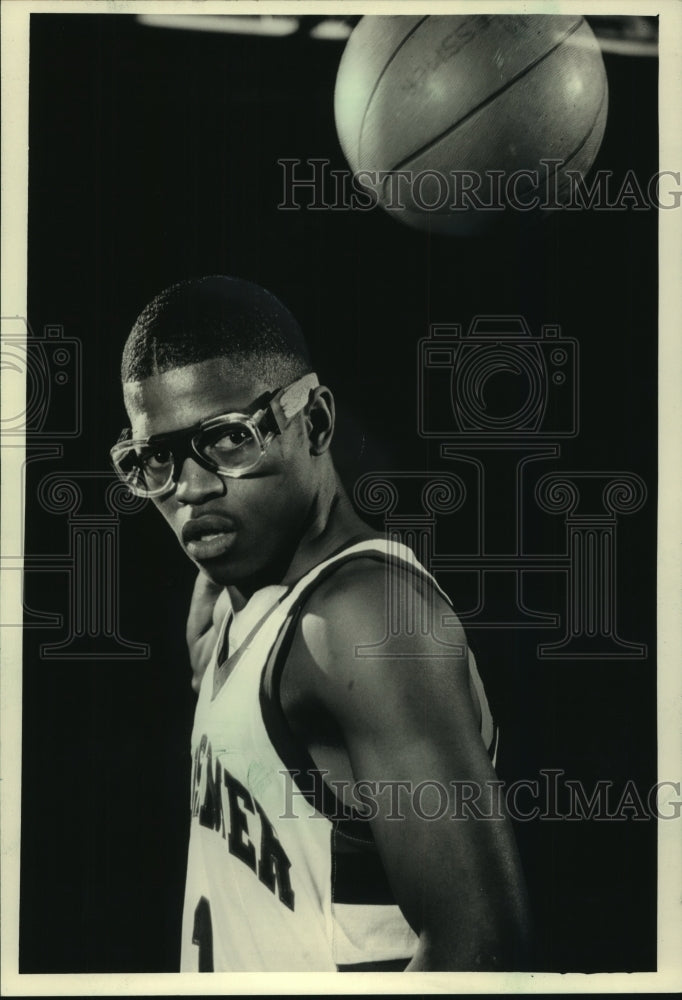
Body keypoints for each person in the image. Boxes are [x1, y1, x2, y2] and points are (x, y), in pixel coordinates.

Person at [111, 275, 531, 972]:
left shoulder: (358, 622)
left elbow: (481, 946)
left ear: (317, 423)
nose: (190, 488)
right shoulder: (237, 598)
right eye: (158, 458)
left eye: (228, 440)